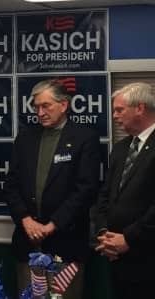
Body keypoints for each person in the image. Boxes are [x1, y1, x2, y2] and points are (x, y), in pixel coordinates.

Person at [4, 79, 100, 299]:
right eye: (36, 107)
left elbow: (85, 189)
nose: (40, 112)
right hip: (29, 242)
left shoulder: (85, 138)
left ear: (64, 105)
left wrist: (52, 225)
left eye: (46, 106)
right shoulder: (26, 137)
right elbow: (11, 185)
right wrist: (25, 219)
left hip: (66, 242)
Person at [95, 82, 155, 299]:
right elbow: (105, 195)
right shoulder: (120, 148)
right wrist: (104, 234)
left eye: (119, 110)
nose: (114, 116)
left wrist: (128, 239)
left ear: (140, 108)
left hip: (147, 257)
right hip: (115, 255)